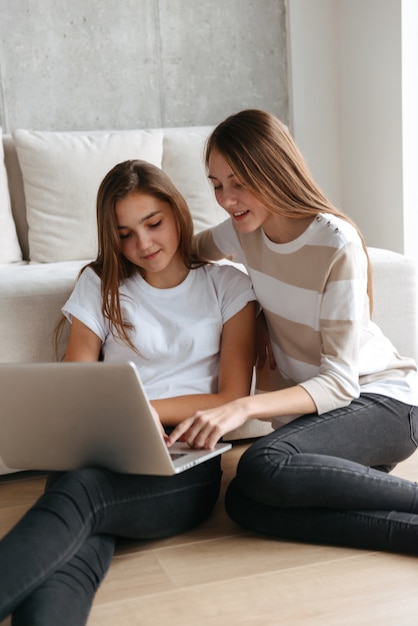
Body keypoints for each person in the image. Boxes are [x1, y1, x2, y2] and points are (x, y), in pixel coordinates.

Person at [0, 159, 256, 625]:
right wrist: (109, 420)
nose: (142, 244)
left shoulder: (227, 285)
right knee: (77, 540)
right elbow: (73, 386)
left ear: (176, 212)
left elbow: (231, 397)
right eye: (124, 234)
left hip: (183, 460)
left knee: (77, 498)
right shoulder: (100, 285)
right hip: (101, 446)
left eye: (153, 223)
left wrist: (145, 412)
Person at [167, 108, 418, 555]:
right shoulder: (242, 231)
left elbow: (341, 382)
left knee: (261, 463)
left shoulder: (336, 244)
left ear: (274, 170)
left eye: (239, 182)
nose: (226, 198)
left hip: (383, 402)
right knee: (245, 503)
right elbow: (186, 252)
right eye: (217, 184)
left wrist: (241, 407)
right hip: (325, 418)